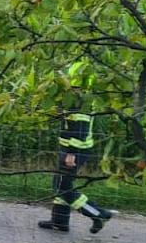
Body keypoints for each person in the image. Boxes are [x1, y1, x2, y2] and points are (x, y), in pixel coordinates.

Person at [40, 96, 113, 234]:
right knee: (61, 184)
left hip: (75, 150)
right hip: (70, 149)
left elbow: (81, 129)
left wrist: (71, 153)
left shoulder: (78, 100)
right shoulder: (74, 98)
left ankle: (98, 214)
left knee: (63, 186)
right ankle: (60, 221)